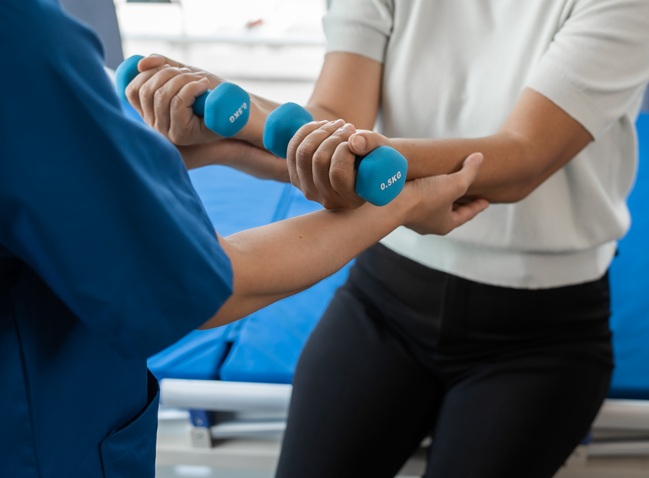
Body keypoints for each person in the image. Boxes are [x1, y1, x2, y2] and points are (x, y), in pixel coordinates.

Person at [128, 0, 649, 476]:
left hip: (539, 332)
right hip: (385, 298)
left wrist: (242, 126)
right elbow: (335, 124)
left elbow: (520, 159)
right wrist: (234, 131)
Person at [0, 1, 489, 477]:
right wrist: (403, 202)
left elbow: (519, 160)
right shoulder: (20, 37)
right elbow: (214, 282)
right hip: (38, 440)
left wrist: (223, 147)